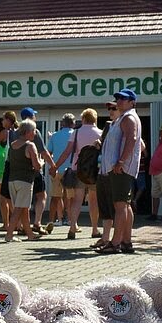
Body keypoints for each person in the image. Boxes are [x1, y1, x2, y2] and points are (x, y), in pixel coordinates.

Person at [99, 88, 142, 254]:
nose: (119, 101)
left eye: (123, 99)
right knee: (125, 205)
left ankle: (115, 243)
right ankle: (126, 241)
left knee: (120, 206)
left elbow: (131, 139)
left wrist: (121, 161)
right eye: (118, 98)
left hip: (121, 169)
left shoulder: (129, 118)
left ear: (132, 102)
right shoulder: (123, 117)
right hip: (119, 168)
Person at [52, 108, 102, 240]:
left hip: (78, 170)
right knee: (93, 201)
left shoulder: (76, 132)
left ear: (83, 119)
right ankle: (95, 229)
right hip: (94, 172)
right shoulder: (100, 133)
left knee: (77, 200)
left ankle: (72, 227)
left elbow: (68, 151)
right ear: (95, 119)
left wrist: (55, 166)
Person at [18, 107, 58, 235]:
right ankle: (36, 223)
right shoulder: (34, 132)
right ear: (31, 117)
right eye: (34, 115)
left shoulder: (15, 132)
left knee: (23, 199)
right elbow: (43, 151)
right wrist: (53, 165)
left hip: (19, 171)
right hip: (34, 170)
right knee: (41, 195)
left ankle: (22, 225)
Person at [5, 119, 44, 242]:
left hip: (12, 180)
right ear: (27, 132)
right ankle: (9, 235)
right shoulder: (30, 146)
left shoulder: (12, 145)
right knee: (18, 209)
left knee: (23, 208)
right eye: (34, 131)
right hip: (25, 181)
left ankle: (30, 234)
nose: (35, 133)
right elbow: (37, 166)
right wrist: (42, 162)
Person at [92, 101, 118, 250]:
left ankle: (117, 240)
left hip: (114, 173)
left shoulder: (125, 124)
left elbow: (139, 145)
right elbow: (102, 142)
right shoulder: (109, 125)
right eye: (109, 109)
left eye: (114, 108)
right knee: (104, 208)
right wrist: (98, 143)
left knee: (116, 207)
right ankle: (105, 238)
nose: (111, 111)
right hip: (102, 170)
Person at [47, 113, 76, 226]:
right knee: (71, 198)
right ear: (73, 123)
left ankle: (52, 220)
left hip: (57, 170)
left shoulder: (55, 136)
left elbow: (48, 153)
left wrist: (52, 166)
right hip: (71, 170)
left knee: (55, 197)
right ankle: (70, 220)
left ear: (62, 123)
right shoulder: (75, 135)